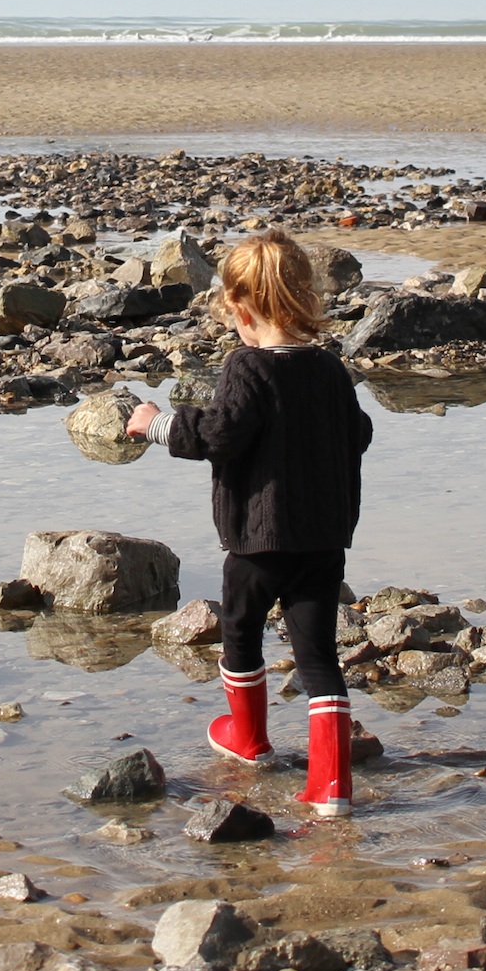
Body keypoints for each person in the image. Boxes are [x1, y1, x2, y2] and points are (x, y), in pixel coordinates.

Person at [124, 230, 374, 817]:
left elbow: (219, 435)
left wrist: (158, 422)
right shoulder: (331, 371)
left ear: (240, 308)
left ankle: (249, 739)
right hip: (323, 540)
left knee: (240, 630)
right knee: (318, 657)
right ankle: (331, 787)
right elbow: (359, 434)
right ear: (305, 299)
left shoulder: (246, 367)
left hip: (258, 542)